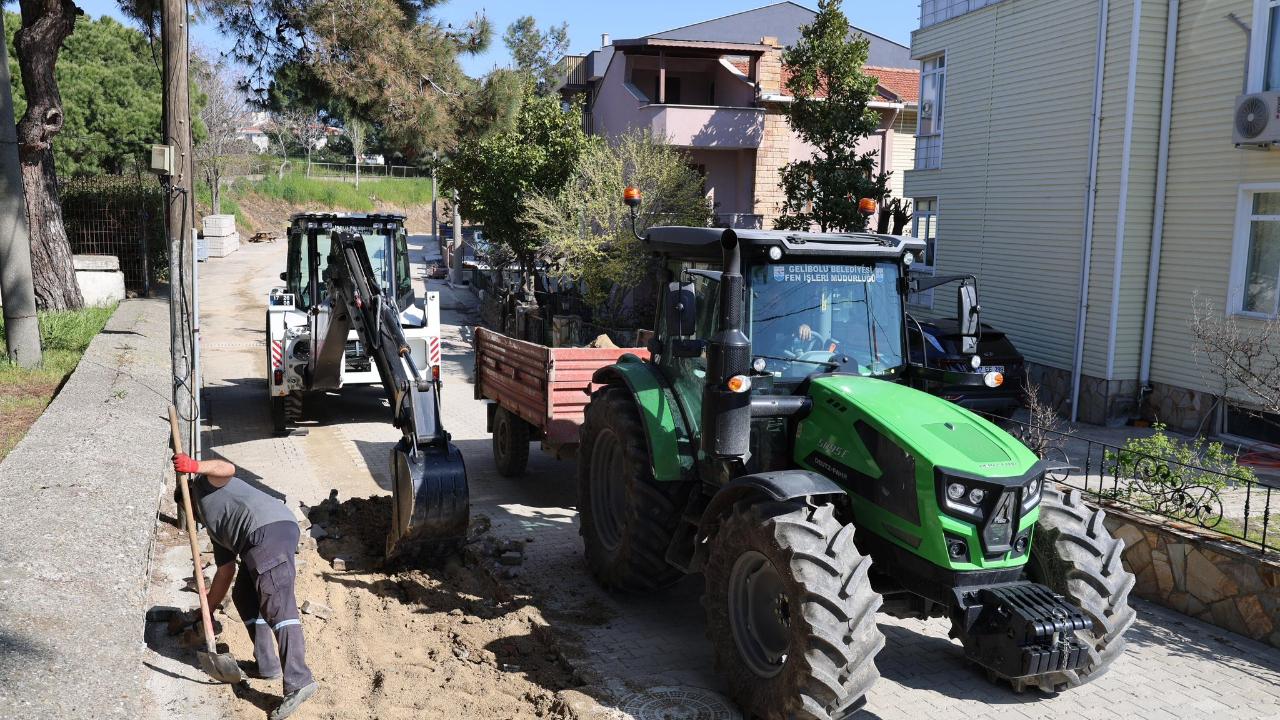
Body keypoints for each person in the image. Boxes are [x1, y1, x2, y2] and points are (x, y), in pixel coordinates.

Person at [172, 453, 319, 720]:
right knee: (244, 595)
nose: (191, 517)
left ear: (187, 498)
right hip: (258, 538)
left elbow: (227, 468)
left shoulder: (204, 485)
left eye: (186, 509)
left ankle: (300, 681)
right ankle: (267, 665)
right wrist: (206, 612)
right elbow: (225, 573)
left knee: (278, 605)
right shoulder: (215, 528)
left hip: (268, 530)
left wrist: (194, 466)